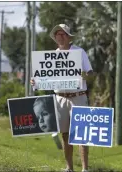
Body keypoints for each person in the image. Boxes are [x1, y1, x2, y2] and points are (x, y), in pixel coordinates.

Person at [31, 24, 94, 172]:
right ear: (55, 38)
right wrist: (36, 81)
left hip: (78, 97)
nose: (60, 36)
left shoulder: (79, 52)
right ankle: (69, 168)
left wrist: (82, 76)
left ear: (69, 36)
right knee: (65, 134)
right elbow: (44, 78)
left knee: (81, 134)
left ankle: (85, 169)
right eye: (57, 34)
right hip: (60, 98)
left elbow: (90, 74)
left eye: (63, 34)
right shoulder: (52, 56)